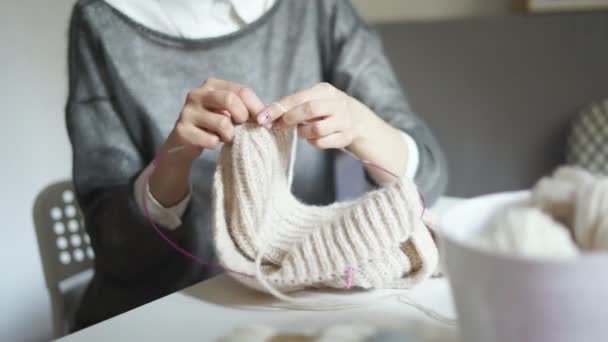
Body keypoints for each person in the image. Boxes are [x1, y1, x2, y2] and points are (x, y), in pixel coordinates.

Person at [65, 0, 447, 330]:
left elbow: (429, 175)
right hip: (157, 316)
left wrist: (361, 125)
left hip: (292, 305)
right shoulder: (103, 20)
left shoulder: (318, 9)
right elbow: (117, 248)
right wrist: (175, 157)